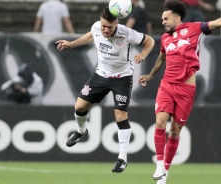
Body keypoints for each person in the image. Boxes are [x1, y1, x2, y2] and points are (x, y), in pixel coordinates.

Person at [138, 1, 221, 184]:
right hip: (167, 85)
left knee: (174, 132)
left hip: (186, 89)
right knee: (160, 121)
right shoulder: (165, 38)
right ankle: (160, 163)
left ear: (177, 17)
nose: (163, 21)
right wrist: (150, 75)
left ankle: (164, 173)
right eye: (162, 18)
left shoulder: (194, 28)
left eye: (166, 18)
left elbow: (219, 22)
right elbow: (162, 57)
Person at [55, 7, 154, 173]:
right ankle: (81, 131)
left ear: (116, 23)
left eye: (109, 27)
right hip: (100, 76)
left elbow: (149, 41)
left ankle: (122, 157)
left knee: (120, 116)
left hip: (122, 78)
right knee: (79, 107)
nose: (106, 30)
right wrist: (72, 44)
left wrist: (143, 54)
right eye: (103, 27)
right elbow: (92, 35)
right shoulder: (96, 27)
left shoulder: (127, 33)